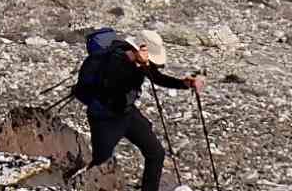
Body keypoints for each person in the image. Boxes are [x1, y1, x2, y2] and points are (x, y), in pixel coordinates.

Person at [73, 29, 204, 191]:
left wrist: (183, 83)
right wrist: (139, 66)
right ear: (139, 49)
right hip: (105, 118)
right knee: (101, 165)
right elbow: (115, 85)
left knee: (156, 153)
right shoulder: (116, 60)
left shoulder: (138, 62)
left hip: (127, 113)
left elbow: (156, 77)